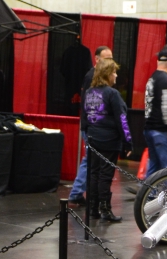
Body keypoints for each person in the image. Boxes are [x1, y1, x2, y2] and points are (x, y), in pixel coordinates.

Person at [80, 59, 131, 223]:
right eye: (114, 72)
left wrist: (87, 134)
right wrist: (128, 142)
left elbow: (85, 116)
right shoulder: (112, 94)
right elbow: (121, 119)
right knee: (105, 175)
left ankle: (92, 208)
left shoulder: (89, 92)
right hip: (109, 140)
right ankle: (105, 209)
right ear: (107, 74)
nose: (116, 75)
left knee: (93, 173)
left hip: (93, 138)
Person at [68, 45, 111, 207]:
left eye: (111, 58)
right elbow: (88, 104)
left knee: (91, 161)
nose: (109, 62)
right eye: (106, 59)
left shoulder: (98, 76)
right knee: (90, 160)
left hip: (93, 126)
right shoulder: (92, 76)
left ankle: (79, 193)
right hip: (91, 126)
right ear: (97, 59)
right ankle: (76, 193)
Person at [143, 50, 167, 177]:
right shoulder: (165, 81)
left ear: (157, 62)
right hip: (162, 131)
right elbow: (166, 108)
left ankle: (148, 190)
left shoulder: (152, 79)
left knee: (154, 168)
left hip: (150, 128)